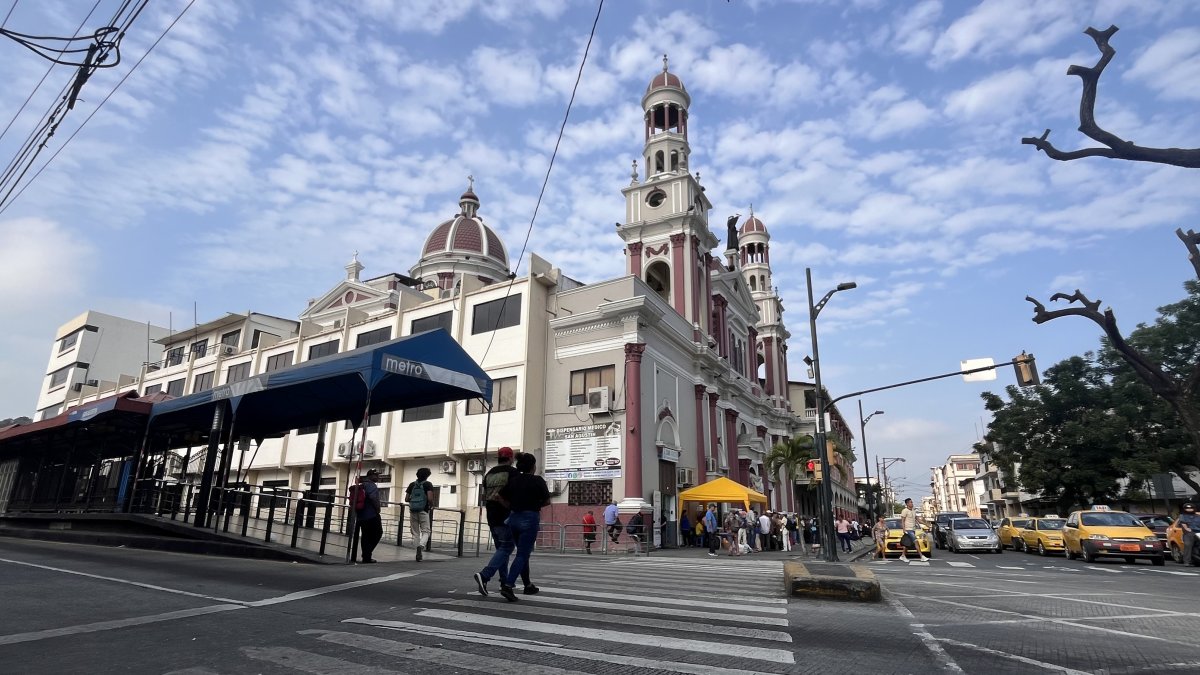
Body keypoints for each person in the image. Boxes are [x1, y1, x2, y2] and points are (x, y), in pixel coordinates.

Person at [472, 447, 535, 596]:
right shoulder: (512, 473)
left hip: (491, 516)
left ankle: (503, 582)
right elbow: (515, 493)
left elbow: (486, 495)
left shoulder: (488, 474)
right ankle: (485, 574)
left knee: (502, 550)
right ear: (511, 458)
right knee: (507, 548)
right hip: (506, 515)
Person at [497, 452, 551, 602]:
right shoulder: (538, 480)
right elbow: (547, 501)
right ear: (533, 467)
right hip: (530, 518)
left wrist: (511, 506)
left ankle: (527, 585)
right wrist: (534, 505)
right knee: (523, 554)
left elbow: (499, 496)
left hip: (513, 518)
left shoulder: (513, 480)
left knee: (522, 553)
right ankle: (508, 585)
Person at [353, 469, 382, 563]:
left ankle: (366, 556)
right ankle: (366, 554)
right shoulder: (371, 485)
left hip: (361, 514)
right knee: (377, 533)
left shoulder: (362, 485)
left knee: (365, 536)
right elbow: (373, 498)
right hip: (371, 514)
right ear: (370, 476)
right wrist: (378, 508)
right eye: (376, 475)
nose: (378, 477)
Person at [405, 467, 434, 562]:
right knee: (426, 531)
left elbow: (406, 499)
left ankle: (417, 547)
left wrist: (414, 500)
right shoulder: (428, 484)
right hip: (423, 510)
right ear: (427, 476)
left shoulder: (412, 485)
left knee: (415, 532)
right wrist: (431, 505)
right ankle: (421, 547)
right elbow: (429, 498)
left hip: (413, 510)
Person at [899, 498, 928, 562]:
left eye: (912, 502)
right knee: (916, 541)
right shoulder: (905, 511)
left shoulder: (913, 510)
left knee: (907, 544)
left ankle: (903, 556)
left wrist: (925, 523)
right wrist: (904, 529)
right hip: (908, 529)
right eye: (910, 502)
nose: (912, 503)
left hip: (913, 529)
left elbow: (918, 519)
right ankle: (921, 556)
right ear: (907, 504)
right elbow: (902, 521)